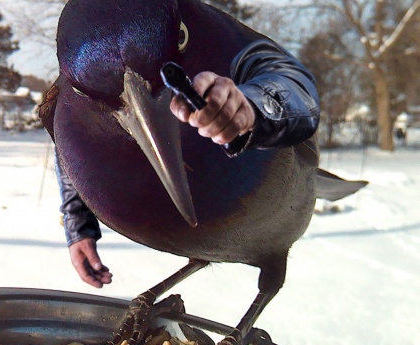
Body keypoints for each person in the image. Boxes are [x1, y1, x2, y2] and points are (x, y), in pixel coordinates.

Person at [54, 40, 320, 288]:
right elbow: (67, 141)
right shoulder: (82, 82)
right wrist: (78, 225)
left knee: (271, 267)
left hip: (262, 191)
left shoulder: (225, 60)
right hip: (180, 225)